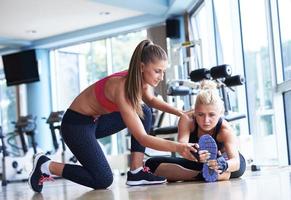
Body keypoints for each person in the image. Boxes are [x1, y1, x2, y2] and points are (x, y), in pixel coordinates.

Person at [28, 39, 198, 193]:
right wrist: (179, 147)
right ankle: (46, 165)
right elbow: (142, 138)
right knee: (103, 179)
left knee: (144, 110)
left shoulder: (142, 80)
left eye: (163, 71)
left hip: (96, 121)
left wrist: (180, 112)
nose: (161, 77)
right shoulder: (122, 88)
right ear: (141, 67)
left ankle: (136, 172)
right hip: (76, 125)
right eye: (157, 71)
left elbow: (152, 100)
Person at [145, 80, 246, 182]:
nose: (206, 120)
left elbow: (236, 162)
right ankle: (203, 175)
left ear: (220, 114)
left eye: (211, 115)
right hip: (197, 162)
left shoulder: (225, 129)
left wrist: (223, 164)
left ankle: (204, 174)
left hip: (222, 161)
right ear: (195, 111)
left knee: (238, 168)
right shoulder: (187, 119)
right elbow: (182, 147)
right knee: (151, 164)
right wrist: (196, 154)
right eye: (201, 114)